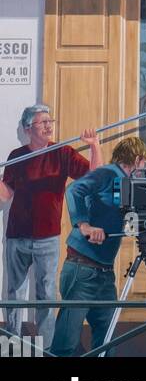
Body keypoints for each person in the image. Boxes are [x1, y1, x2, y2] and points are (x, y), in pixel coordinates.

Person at [0, 104, 101, 341]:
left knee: (46, 294)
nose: (48, 125)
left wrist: (94, 145)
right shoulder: (17, 156)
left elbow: (94, 177)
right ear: (28, 129)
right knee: (14, 292)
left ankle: (45, 345)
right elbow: (5, 194)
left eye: (49, 121)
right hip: (17, 236)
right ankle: (13, 340)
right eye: (42, 122)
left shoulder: (62, 153)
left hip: (47, 238)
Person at [50, 135, 146, 358]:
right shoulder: (107, 173)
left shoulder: (127, 185)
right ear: (136, 158)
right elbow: (74, 190)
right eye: (144, 163)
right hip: (82, 269)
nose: (144, 168)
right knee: (65, 345)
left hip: (104, 273)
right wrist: (84, 225)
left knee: (105, 343)